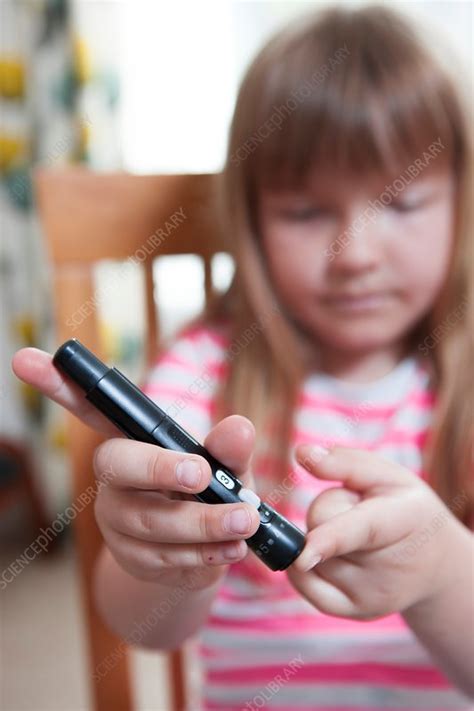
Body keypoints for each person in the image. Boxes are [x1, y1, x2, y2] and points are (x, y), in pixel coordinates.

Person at [13, 5, 473, 709]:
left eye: (401, 203)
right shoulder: (203, 373)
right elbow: (140, 625)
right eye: (305, 213)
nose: (354, 254)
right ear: (251, 220)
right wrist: (164, 563)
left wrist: (444, 571)